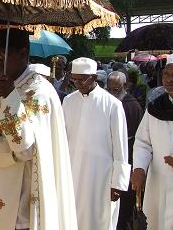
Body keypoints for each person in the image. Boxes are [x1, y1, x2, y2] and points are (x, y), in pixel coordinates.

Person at [0, 29, 77, 230]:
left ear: (23, 54)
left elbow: (24, 149)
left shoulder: (40, 92)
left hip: (22, 202)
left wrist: (10, 99)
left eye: (3, 55)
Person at [62, 58, 130, 230]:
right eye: (74, 79)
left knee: (99, 220)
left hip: (101, 177)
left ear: (93, 78)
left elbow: (121, 146)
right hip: (72, 172)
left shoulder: (113, 104)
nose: (77, 84)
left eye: (81, 79)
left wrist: (118, 183)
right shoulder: (68, 101)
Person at [131, 54, 173, 229]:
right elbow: (143, 142)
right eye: (166, 75)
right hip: (160, 180)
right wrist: (140, 168)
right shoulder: (155, 107)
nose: (170, 80)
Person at [106, 71, 144, 229]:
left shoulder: (131, 105)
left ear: (125, 86)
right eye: (109, 89)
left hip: (127, 157)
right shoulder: (108, 102)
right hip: (109, 157)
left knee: (124, 204)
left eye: (116, 89)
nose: (112, 93)